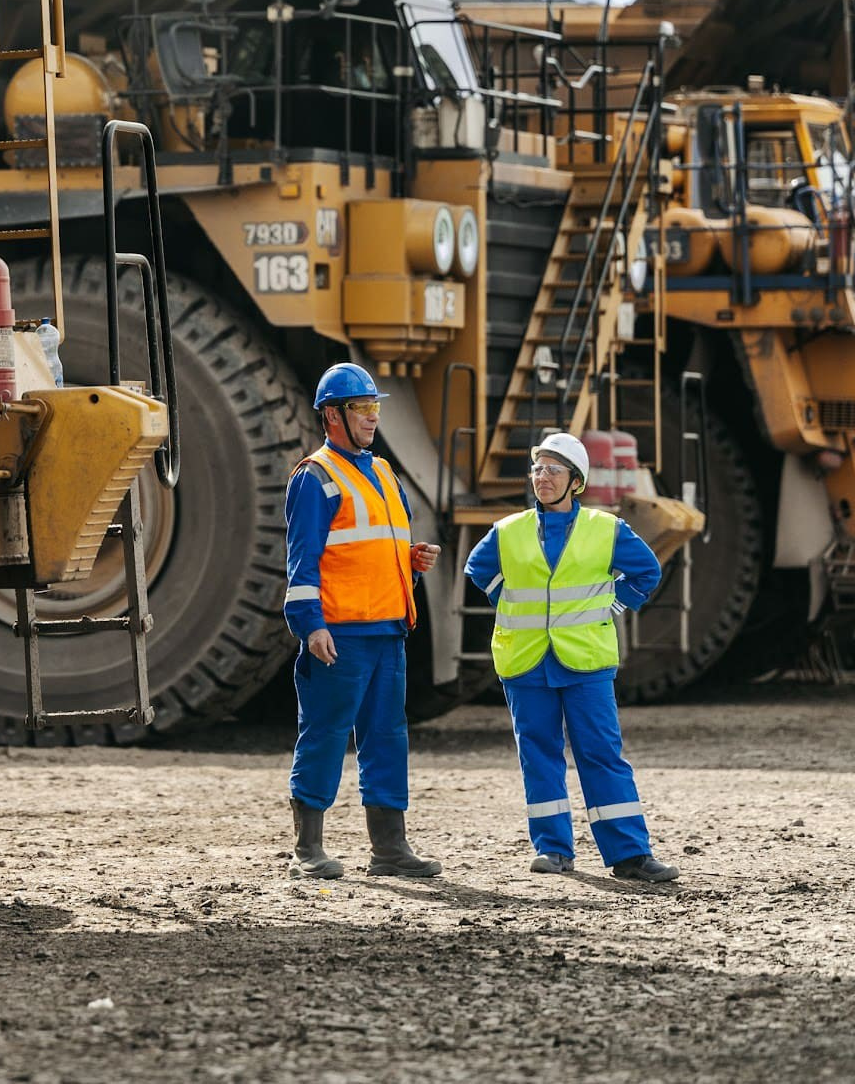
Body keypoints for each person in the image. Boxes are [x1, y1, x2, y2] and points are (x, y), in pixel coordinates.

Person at [464, 430, 679, 883]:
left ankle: (630, 856)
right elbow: (477, 570)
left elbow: (647, 571)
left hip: (585, 662)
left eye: (553, 470)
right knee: (539, 756)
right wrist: (508, 602)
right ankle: (553, 850)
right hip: (525, 661)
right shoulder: (508, 531)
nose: (542, 477)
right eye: (538, 469)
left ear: (575, 481)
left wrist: (612, 604)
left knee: (601, 754)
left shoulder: (606, 528)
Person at [283, 362, 443, 880]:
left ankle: (389, 850)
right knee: (326, 733)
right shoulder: (315, 477)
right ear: (332, 415)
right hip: (340, 633)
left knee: (387, 737)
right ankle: (308, 849)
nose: (373, 418)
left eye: (375, 407)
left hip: (386, 630)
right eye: (362, 408)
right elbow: (302, 563)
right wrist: (311, 625)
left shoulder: (382, 472)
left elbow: (370, 545)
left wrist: (410, 558)